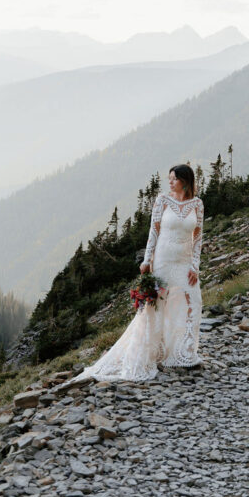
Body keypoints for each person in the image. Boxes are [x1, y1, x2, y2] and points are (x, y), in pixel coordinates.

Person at [80, 164, 204, 382]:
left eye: (174, 179)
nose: (170, 182)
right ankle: (153, 352)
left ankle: (185, 353)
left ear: (185, 181)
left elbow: (198, 236)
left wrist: (195, 265)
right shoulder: (162, 201)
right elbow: (153, 232)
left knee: (193, 301)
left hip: (185, 262)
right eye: (169, 178)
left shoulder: (197, 204)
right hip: (163, 260)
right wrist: (147, 260)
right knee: (157, 306)